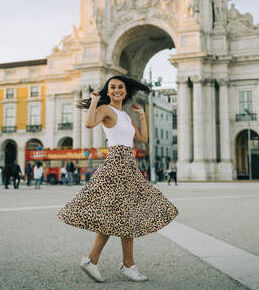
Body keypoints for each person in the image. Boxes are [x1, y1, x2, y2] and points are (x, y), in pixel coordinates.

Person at [58, 75, 178, 283]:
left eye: (120, 87)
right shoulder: (106, 110)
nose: (116, 90)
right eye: (112, 87)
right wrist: (95, 100)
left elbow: (143, 138)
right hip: (117, 163)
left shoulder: (124, 115)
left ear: (125, 91)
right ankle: (126, 265)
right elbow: (88, 124)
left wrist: (141, 115)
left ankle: (95, 260)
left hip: (128, 164)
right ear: (108, 91)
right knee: (125, 216)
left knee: (119, 217)